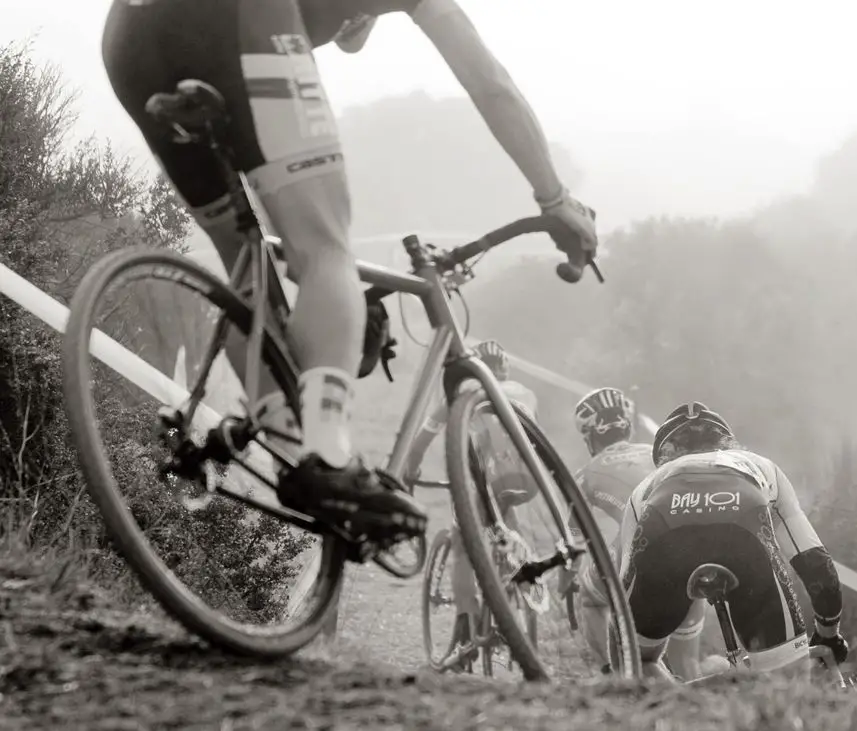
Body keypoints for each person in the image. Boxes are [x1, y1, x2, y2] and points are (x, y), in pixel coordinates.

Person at [100, 0, 598, 537]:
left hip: (130, 39)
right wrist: (554, 197)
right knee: (324, 249)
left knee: (245, 260)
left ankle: (287, 446)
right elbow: (490, 83)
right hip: (241, 18)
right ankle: (327, 453)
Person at [613, 401, 848, 680]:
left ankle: (675, 711)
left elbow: (622, 589)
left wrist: (621, 657)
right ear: (728, 442)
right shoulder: (760, 465)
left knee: (636, 662)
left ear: (665, 454)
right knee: (788, 684)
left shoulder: (647, 486)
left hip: (662, 532)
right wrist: (828, 634)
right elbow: (817, 566)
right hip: (744, 534)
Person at [402, 339, 539, 668]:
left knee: (464, 545)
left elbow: (421, 442)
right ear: (504, 369)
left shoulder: (459, 394)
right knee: (501, 531)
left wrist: (411, 472)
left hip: (488, 481)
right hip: (530, 480)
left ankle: (466, 627)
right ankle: (513, 596)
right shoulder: (524, 393)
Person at [562, 387, 654, 673]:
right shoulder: (657, 452)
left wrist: (565, 578)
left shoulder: (586, 472)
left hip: (637, 544)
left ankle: (610, 673)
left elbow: (575, 540)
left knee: (590, 599)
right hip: (688, 538)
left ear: (590, 435)